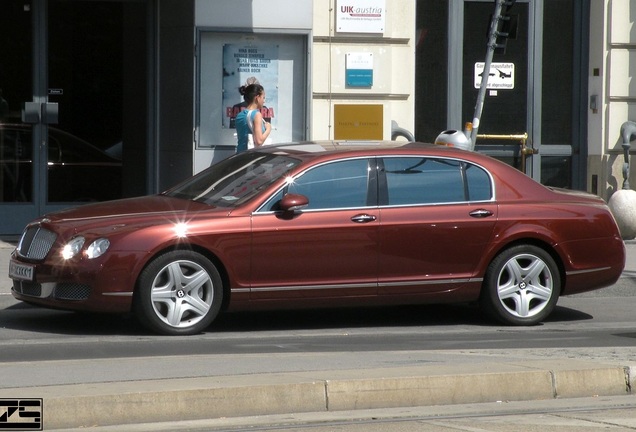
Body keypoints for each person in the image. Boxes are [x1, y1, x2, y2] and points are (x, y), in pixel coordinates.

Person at [234, 83, 271, 153]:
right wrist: (268, 129)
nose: (264, 101)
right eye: (263, 97)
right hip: (251, 157)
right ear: (257, 98)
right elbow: (259, 141)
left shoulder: (239, 115)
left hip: (239, 155)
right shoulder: (256, 115)